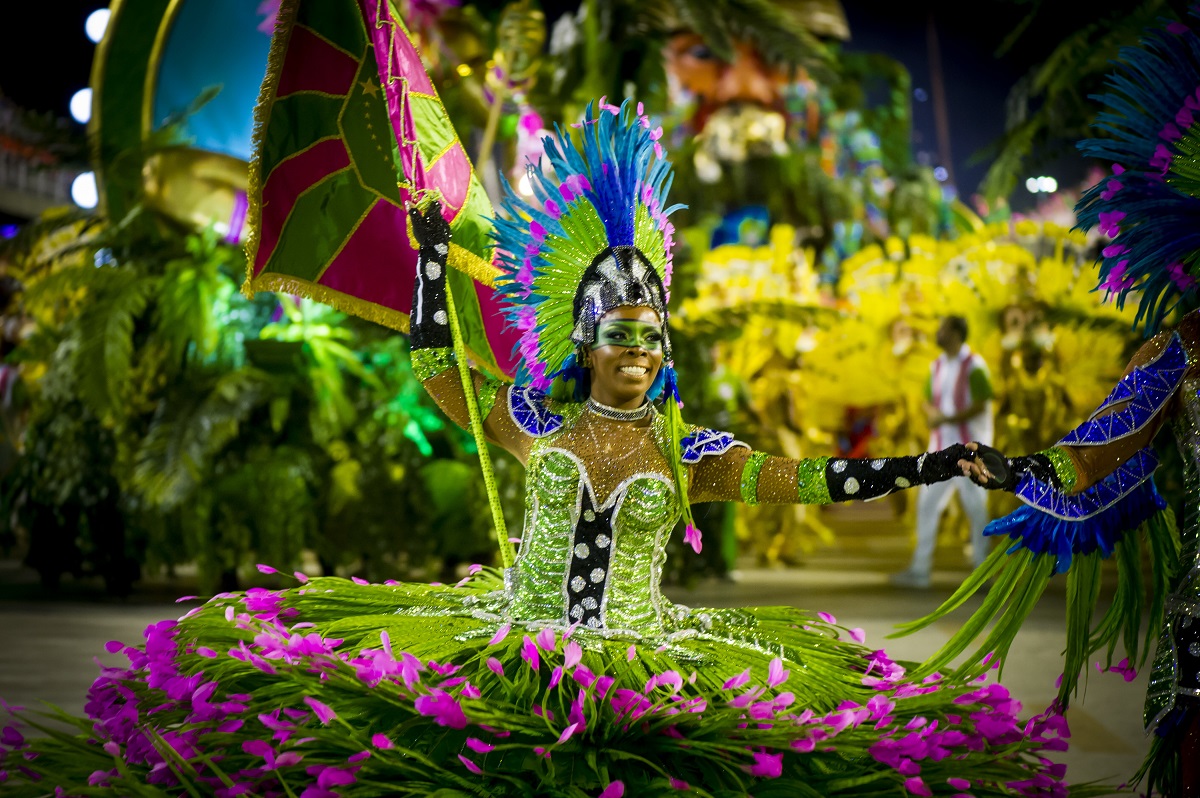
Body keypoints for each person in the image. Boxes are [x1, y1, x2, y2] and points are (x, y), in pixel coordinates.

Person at [0, 102, 1070, 796]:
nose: (641, 352)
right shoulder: (537, 421)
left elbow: (811, 479)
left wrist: (940, 463)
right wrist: (427, 272)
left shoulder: (686, 448)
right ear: (585, 341)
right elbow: (437, 374)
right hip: (509, 646)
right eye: (622, 335)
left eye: (655, 336)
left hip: (653, 664)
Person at [890, 315, 995, 588]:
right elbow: (927, 399)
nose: (938, 333)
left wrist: (947, 419)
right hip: (939, 451)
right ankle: (920, 570)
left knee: (975, 510)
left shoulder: (975, 366)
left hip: (969, 451)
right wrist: (931, 413)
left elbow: (982, 404)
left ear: (956, 333)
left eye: (943, 329)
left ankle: (982, 573)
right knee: (926, 506)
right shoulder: (937, 365)